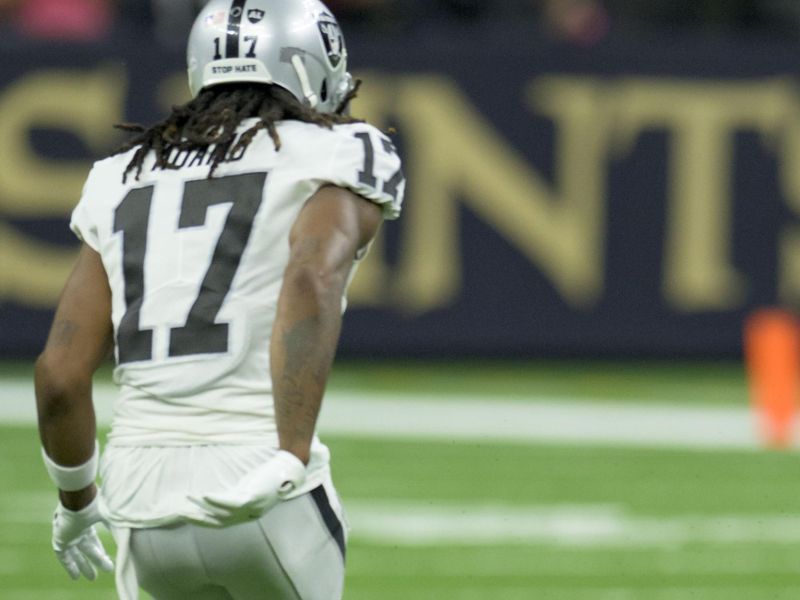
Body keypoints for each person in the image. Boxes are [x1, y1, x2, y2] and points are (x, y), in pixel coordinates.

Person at [33, 0, 405, 598]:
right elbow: (311, 278)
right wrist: (289, 454)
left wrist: (77, 504)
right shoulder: (341, 151)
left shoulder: (120, 174)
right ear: (314, 64)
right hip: (259, 479)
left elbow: (58, 375)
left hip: (138, 497)